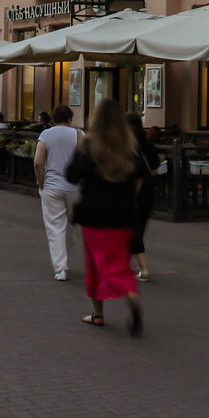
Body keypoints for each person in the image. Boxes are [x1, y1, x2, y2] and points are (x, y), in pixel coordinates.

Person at [66, 99, 149, 336]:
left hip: (94, 214)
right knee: (118, 261)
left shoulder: (89, 145)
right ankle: (117, 303)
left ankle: (104, 310)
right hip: (123, 214)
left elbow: (71, 175)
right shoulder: (130, 147)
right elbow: (143, 176)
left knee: (98, 264)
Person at [34, 104, 82, 281]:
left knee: (55, 227)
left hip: (52, 186)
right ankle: (65, 256)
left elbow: (38, 163)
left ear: (53, 119)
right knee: (70, 225)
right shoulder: (79, 135)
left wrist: (41, 183)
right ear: (70, 119)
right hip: (74, 187)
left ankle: (60, 268)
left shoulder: (46, 135)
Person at [127, 113, 160, 282]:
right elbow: (156, 167)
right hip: (150, 189)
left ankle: (143, 269)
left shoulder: (129, 144)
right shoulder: (147, 142)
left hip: (135, 190)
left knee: (132, 229)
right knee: (136, 227)